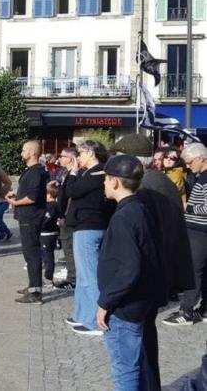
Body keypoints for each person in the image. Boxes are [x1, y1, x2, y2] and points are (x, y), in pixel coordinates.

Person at [96, 155, 163, 390]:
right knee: (134, 364)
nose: (103, 184)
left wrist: (105, 302)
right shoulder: (139, 208)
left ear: (115, 182)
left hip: (124, 306)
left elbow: (129, 267)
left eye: (105, 179)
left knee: (125, 369)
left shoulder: (125, 216)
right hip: (138, 301)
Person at [65, 140, 114, 335]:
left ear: (91, 153)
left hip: (89, 226)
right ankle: (81, 314)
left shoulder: (96, 172)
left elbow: (72, 191)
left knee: (89, 275)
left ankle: (95, 321)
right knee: (84, 273)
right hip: (88, 225)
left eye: (81, 153)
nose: (78, 157)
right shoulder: (93, 172)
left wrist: (73, 173)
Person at [164, 142, 207, 326]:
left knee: (194, 271)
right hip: (198, 230)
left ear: (201, 159)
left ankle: (186, 311)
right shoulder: (200, 177)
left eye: (190, 162)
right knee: (202, 271)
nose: (188, 166)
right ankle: (204, 309)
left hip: (200, 231)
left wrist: (189, 209)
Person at [6, 141, 47, 304]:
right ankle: (32, 285)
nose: (21, 152)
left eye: (23, 150)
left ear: (32, 152)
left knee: (32, 253)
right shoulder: (31, 171)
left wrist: (15, 203)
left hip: (31, 217)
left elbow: (32, 197)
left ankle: (35, 292)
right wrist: (15, 196)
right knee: (28, 253)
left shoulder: (36, 172)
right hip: (26, 216)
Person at [53, 146, 79, 290]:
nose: (60, 158)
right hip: (64, 215)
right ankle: (72, 275)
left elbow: (70, 197)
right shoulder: (66, 173)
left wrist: (64, 216)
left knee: (68, 246)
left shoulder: (74, 175)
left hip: (68, 218)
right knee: (67, 246)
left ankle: (73, 278)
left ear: (70, 158)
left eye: (62, 156)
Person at [41, 182, 61, 283]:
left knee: (48, 256)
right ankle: (47, 273)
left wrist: (39, 224)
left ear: (49, 194)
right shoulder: (54, 205)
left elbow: (47, 219)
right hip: (48, 233)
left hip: (48, 233)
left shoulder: (51, 206)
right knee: (45, 255)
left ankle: (48, 276)